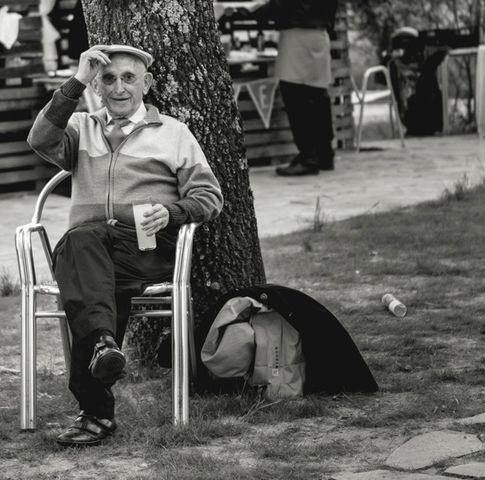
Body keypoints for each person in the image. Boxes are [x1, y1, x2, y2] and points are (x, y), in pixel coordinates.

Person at [27, 45, 224, 447]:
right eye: (108, 79)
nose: (119, 88)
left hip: (146, 250)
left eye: (129, 78)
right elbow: (40, 139)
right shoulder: (81, 126)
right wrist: (76, 81)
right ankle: (104, 347)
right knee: (86, 250)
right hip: (91, 255)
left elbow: (209, 196)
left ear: (146, 84)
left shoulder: (173, 133)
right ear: (97, 87)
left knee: (81, 256)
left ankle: (95, 410)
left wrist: (173, 212)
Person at [252, 0, 338, 176]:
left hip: (298, 36)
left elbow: (285, 4)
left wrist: (253, 13)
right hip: (319, 34)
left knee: (296, 97)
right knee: (317, 94)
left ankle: (308, 158)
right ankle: (324, 154)